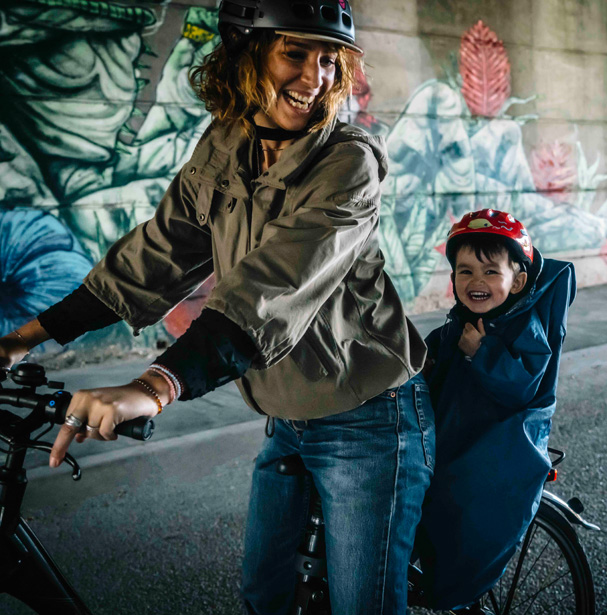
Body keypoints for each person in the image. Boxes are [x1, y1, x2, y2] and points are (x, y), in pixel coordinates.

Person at [0, 1, 434, 613]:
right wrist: (27, 335)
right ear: (245, 51)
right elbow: (156, 255)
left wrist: (153, 387)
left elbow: (268, 291)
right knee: (264, 596)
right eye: (295, 53)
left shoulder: (348, 162)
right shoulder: (228, 142)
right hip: (287, 413)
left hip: (367, 419)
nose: (317, 78)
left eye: (330, 60)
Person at [414, 209, 576, 611]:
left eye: (490, 272)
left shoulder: (523, 327)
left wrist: (482, 352)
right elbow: (426, 361)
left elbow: (523, 384)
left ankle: (450, 594)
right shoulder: (458, 324)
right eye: (465, 272)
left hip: (494, 454)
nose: (476, 282)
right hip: (451, 445)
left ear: (518, 280)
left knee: (462, 518)